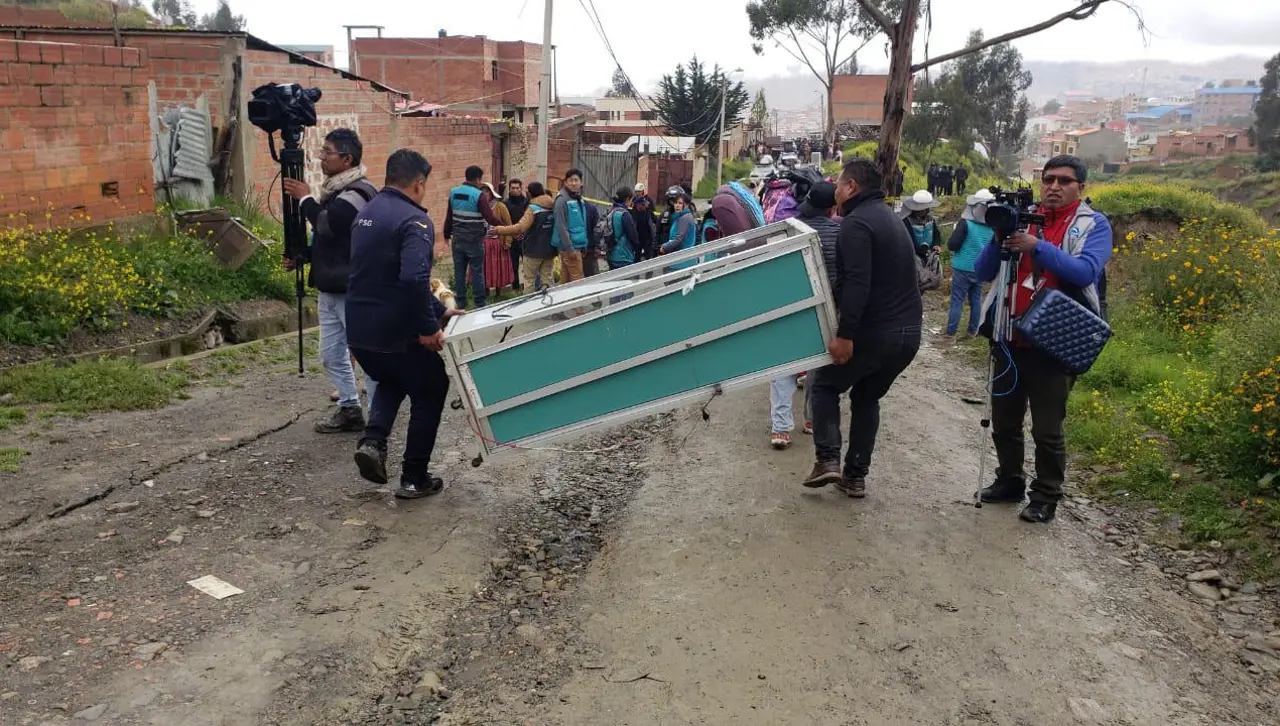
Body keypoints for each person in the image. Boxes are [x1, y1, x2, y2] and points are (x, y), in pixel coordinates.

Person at [975, 155, 1112, 523]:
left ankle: (1046, 495)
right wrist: (1000, 237)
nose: (1053, 186)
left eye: (1064, 181)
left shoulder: (1092, 225)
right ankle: (1009, 480)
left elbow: (1084, 272)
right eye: (1048, 179)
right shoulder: (1021, 216)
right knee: (1004, 421)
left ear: (1080, 188)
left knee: (1047, 428)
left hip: (1056, 341)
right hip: (1008, 335)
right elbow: (983, 270)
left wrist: (1035, 247)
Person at [803, 159, 922, 496]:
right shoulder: (890, 219)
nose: (836, 190)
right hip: (908, 335)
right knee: (867, 397)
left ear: (852, 186)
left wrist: (845, 335)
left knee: (824, 385)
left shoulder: (856, 224)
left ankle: (827, 459)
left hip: (877, 332)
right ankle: (855, 477)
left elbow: (857, 282)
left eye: (839, 184)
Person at [347, 149, 460, 499]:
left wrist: (439, 313)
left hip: (361, 331)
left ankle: (373, 442)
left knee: (394, 376)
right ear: (419, 183)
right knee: (431, 386)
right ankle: (414, 476)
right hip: (395, 330)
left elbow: (386, 277)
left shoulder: (366, 213)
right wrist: (429, 328)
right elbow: (412, 279)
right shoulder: (414, 220)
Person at [281, 128, 379, 434]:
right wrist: (305, 256)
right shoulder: (336, 192)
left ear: (346, 159)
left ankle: (378, 418)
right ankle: (350, 407)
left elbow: (328, 225)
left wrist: (304, 199)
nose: (322, 158)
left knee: (368, 355)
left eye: (328, 153)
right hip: (331, 288)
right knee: (330, 354)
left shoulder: (357, 193)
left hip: (353, 290)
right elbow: (334, 245)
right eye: (321, 151)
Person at [768, 181, 840, 449]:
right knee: (819, 369)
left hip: (791, 307)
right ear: (832, 209)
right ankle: (811, 419)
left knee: (782, 368)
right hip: (828, 309)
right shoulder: (842, 233)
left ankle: (780, 429)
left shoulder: (788, 231)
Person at [443, 165, 501, 309]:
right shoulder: (478, 195)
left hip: (457, 239)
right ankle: (480, 303)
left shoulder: (453, 192)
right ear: (477, 179)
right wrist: (502, 225)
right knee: (476, 271)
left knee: (459, 271)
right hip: (474, 241)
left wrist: (446, 234)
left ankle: (461, 302)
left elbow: (449, 216)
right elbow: (489, 217)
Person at [944, 189, 995, 339]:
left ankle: (950, 333)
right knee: (976, 300)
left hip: (962, 267)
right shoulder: (993, 226)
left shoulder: (966, 223)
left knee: (957, 300)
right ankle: (972, 331)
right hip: (979, 268)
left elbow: (953, 244)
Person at [492, 182, 556, 290]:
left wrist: (499, 229)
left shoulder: (533, 209)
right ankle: (548, 304)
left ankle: (529, 305)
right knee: (547, 280)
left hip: (533, 250)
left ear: (530, 193)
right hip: (550, 250)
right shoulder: (553, 206)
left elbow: (520, 228)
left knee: (529, 281)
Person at [553, 168, 590, 283]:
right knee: (578, 280)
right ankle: (579, 301)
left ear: (581, 182)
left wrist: (584, 244)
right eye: (570, 180)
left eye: (576, 180)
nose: (574, 183)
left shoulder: (577, 198)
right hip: (569, 247)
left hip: (577, 245)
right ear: (565, 182)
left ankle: (561, 300)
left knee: (566, 279)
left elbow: (580, 224)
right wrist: (570, 248)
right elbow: (560, 226)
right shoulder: (562, 200)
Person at [658, 191, 697, 271]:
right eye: (675, 203)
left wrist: (664, 247)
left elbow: (678, 239)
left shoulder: (685, 218)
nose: (677, 205)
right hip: (678, 260)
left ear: (685, 205)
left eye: (680, 203)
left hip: (681, 263)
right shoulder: (679, 217)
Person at [900, 190, 943, 258]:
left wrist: (936, 245)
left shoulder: (930, 219)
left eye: (924, 208)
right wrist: (921, 252)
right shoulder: (907, 221)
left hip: (930, 255)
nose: (922, 210)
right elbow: (908, 241)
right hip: (913, 256)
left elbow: (936, 234)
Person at [503, 178, 529, 291]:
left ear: (521, 189)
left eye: (517, 188)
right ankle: (515, 289)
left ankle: (528, 288)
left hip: (525, 238)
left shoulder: (526, 202)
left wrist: (524, 232)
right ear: (509, 189)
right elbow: (504, 222)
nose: (515, 190)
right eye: (512, 188)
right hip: (512, 238)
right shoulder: (505, 204)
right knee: (513, 266)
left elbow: (530, 219)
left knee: (528, 265)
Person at [606, 186, 639, 270]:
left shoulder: (611, 210)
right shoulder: (625, 214)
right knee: (625, 282)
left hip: (610, 254)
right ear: (628, 198)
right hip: (623, 256)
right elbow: (633, 237)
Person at [631, 183, 656, 260]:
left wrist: (656, 223)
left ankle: (649, 271)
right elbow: (631, 212)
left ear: (642, 191)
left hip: (647, 231)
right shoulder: (633, 201)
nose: (637, 193)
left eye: (639, 191)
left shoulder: (648, 200)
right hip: (637, 230)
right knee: (637, 253)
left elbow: (652, 214)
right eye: (636, 191)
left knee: (648, 252)